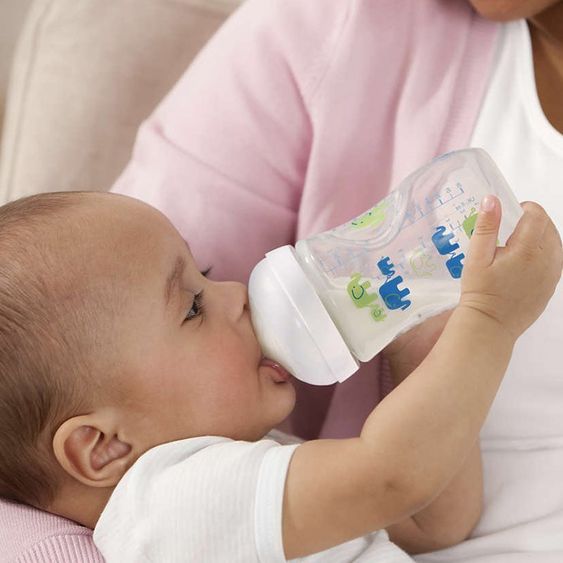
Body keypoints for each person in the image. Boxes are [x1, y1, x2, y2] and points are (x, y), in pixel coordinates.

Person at [0, 189, 560, 561]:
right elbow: (395, 478)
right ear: (102, 447)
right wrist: (490, 321)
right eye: (193, 307)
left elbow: (432, 524)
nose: (235, 293)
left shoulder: (246, 465)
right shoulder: (172, 508)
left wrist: (422, 353)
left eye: (206, 274)